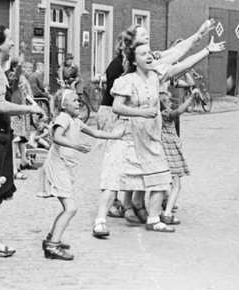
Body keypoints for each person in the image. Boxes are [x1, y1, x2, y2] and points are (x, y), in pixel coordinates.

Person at [92, 36, 225, 237]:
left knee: (162, 178)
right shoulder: (125, 81)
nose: (148, 55)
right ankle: (100, 221)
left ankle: (154, 219)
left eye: (149, 52)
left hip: (150, 137)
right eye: (143, 53)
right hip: (127, 136)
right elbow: (117, 107)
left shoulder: (157, 75)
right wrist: (140, 113)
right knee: (113, 179)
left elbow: (183, 65)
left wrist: (207, 50)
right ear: (134, 60)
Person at [0, 24, 44, 258]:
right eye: (9, 40)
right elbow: (1, 106)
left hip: (2, 137)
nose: (13, 44)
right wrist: (30, 108)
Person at [40, 89, 124, 260]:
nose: (78, 103)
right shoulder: (63, 118)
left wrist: (115, 136)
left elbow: (95, 133)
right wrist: (76, 145)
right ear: (63, 105)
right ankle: (52, 246)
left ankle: (51, 238)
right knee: (71, 209)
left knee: (67, 207)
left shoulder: (75, 120)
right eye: (74, 100)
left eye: (78, 100)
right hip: (57, 168)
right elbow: (56, 137)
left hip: (65, 168)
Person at [159, 84, 194, 225]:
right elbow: (178, 111)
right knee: (176, 185)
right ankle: (167, 213)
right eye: (167, 101)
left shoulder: (157, 115)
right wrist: (190, 98)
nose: (170, 103)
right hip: (170, 152)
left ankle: (160, 210)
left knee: (164, 184)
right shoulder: (165, 114)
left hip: (164, 150)